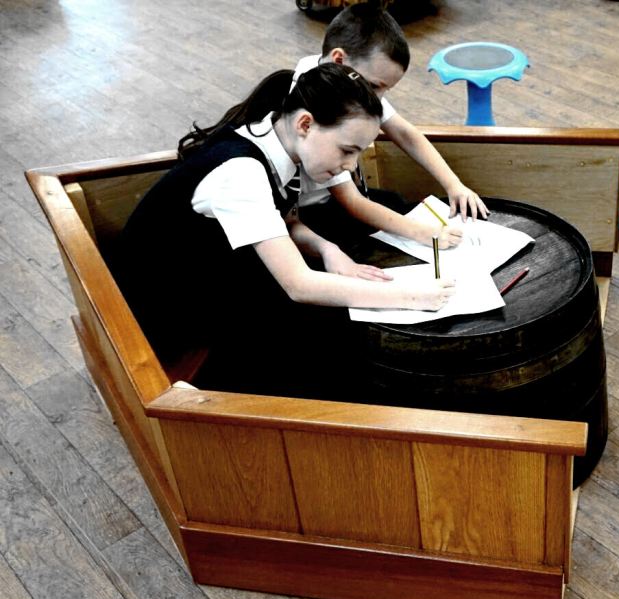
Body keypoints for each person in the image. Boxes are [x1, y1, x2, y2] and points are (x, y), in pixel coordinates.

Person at [112, 62, 455, 399]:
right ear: (306, 123)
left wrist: (327, 249)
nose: (350, 166)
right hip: (164, 312)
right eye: (347, 151)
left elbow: (285, 221)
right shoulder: (241, 171)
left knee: (333, 312)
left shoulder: (275, 136)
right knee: (321, 345)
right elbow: (299, 285)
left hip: (209, 273)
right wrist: (413, 297)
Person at [291, 2, 489, 251]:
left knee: (396, 202)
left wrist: (453, 184)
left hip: (342, 197)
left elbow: (405, 133)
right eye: (375, 86)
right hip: (313, 215)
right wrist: (423, 233)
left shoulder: (344, 81)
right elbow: (349, 200)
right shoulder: (322, 101)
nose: (378, 99)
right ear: (339, 59)